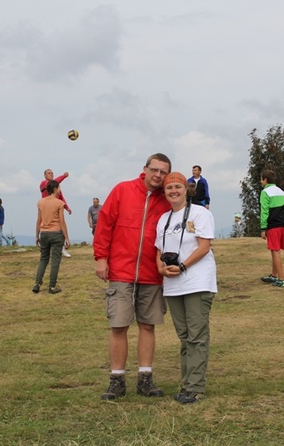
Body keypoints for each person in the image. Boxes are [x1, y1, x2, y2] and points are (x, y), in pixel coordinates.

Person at [93, 153, 172, 401]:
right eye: (154, 170)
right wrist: (101, 258)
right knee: (119, 325)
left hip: (151, 273)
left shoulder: (167, 199)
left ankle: (145, 379)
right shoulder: (123, 190)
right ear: (145, 169)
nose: (158, 175)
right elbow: (105, 223)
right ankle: (116, 380)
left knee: (148, 325)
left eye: (163, 172)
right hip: (121, 270)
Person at [155, 172, 217, 404]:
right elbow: (158, 251)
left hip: (197, 282)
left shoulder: (201, 213)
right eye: (169, 187)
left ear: (186, 189)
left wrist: (182, 266)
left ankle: (195, 387)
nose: (173, 191)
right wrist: (161, 268)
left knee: (197, 335)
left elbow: (204, 247)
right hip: (172, 285)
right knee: (185, 337)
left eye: (177, 186)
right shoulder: (164, 219)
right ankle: (187, 383)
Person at [33, 180, 70, 294]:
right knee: (55, 260)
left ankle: (37, 283)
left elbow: (39, 220)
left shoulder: (41, 202)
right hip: (56, 233)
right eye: (59, 188)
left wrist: (37, 235)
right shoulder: (59, 203)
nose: (59, 190)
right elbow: (62, 221)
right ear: (55, 189)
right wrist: (67, 237)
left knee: (43, 259)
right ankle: (52, 286)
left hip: (44, 233)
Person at [259, 170, 284, 287]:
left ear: (265, 180)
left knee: (275, 251)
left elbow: (264, 211)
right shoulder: (281, 192)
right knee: (274, 250)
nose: (261, 182)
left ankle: (281, 279)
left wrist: (263, 228)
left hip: (273, 226)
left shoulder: (265, 192)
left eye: (261, 179)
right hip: (282, 224)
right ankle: (273, 275)